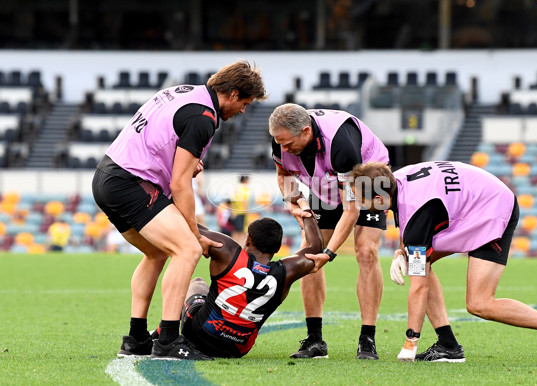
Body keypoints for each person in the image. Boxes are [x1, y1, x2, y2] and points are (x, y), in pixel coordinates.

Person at [92, 60, 267, 360]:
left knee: (158, 253)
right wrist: (193, 232)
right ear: (234, 93)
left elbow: (161, 141)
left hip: (107, 178)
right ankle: (169, 341)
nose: (243, 111)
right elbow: (180, 184)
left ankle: (135, 339)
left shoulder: (183, 92)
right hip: (131, 183)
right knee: (187, 250)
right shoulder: (204, 117)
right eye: (245, 104)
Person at [349, 160, 537, 365]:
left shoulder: (415, 212)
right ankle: (448, 345)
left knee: (479, 303)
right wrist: (401, 253)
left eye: (362, 198)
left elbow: (418, 287)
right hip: (478, 199)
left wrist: (410, 342)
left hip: (492, 209)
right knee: (422, 264)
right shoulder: (395, 178)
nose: (359, 205)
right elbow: (415, 221)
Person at [269, 103, 389, 360]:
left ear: (305, 131)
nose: (284, 149)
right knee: (309, 253)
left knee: (365, 251)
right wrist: (295, 201)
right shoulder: (282, 139)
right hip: (325, 182)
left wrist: (330, 253)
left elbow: (351, 210)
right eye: (280, 144)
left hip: (368, 180)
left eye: (289, 144)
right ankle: (315, 340)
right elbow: (284, 174)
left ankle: (367, 338)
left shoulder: (341, 144)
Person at [179, 194, 328, 358]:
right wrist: (304, 208)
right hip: (237, 350)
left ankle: (164, 333)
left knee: (198, 283)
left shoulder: (228, 251)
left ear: (248, 239)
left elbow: (188, 225)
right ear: (278, 248)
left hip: (197, 336)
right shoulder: (286, 272)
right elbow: (315, 247)